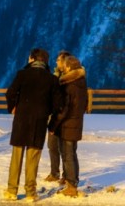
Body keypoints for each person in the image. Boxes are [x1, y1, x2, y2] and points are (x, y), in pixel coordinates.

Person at [4, 48, 61, 202]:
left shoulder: (22, 74)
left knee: (16, 156)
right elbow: (57, 105)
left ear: (32, 59)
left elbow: (10, 93)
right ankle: (30, 192)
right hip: (39, 121)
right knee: (33, 158)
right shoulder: (52, 79)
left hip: (21, 119)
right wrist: (47, 114)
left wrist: (13, 107)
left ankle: (11, 190)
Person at [48, 55, 87, 198]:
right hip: (75, 123)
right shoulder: (81, 83)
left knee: (68, 155)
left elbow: (63, 109)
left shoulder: (69, 85)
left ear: (69, 67)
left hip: (67, 125)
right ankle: (72, 181)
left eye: (64, 64)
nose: (62, 66)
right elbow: (83, 105)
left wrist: (53, 124)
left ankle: (71, 186)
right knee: (71, 154)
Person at [45, 50, 72, 183]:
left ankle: (66, 175)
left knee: (65, 149)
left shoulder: (71, 77)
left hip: (65, 118)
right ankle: (54, 172)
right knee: (52, 146)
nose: (56, 62)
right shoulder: (55, 76)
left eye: (58, 60)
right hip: (53, 116)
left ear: (65, 61)